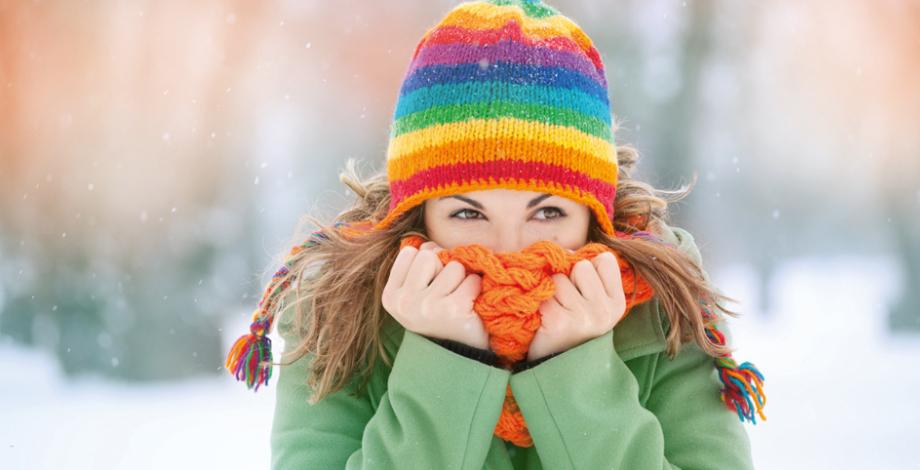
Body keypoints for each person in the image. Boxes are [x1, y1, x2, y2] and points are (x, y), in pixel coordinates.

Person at [225, 0, 766, 468]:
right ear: (418, 214)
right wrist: (445, 360)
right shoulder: (337, 314)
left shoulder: (664, 304)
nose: (509, 250)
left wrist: (575, 372)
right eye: (467, 215)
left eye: (548, 213)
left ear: (593, 216)